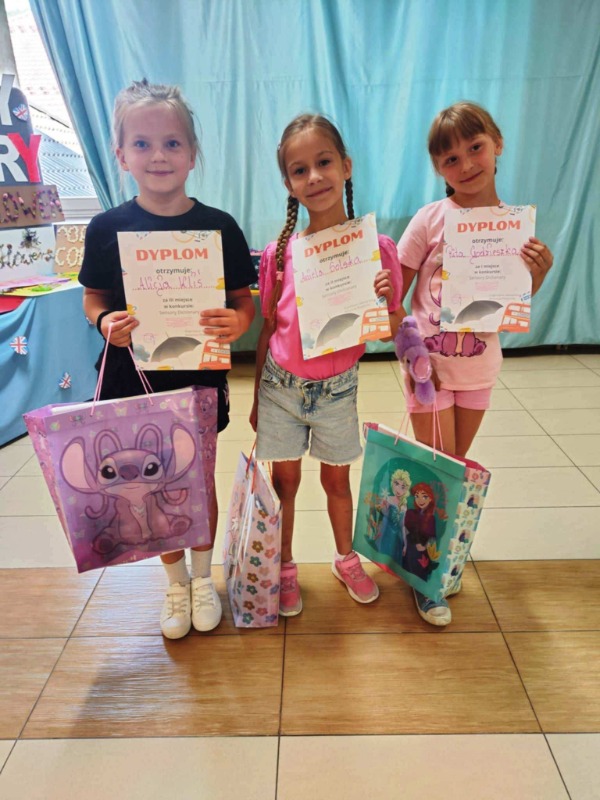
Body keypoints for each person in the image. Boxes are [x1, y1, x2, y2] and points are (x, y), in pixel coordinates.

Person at [79, 80, 256, 639]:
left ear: (193, 153)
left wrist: (238, 323)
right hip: (132, 384)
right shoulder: (105, 228)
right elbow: (93, 298)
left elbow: (243, 301)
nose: (158, 155)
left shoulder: (220, 226)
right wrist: (105, 322)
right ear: (121, 155)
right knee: (149, 487)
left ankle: (204, 578)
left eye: (172, 143)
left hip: (198, 381)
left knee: (196, 481)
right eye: (142, 143)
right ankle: (176, 583)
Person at [397, 101, 553, 625]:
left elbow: (510, 307)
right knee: (432, 474)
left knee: (455, 468)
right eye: (450, 158)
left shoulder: (515, 229)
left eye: (475, 148)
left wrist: (537, 275)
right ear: (437, 168)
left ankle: (428, 549)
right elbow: (394, 289)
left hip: (479, 369)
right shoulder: (430, 219)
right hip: (429, 370)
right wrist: (399, 333)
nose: (465, 164)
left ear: (497, 143)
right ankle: (424, 575)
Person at [249, 113, 403, 616]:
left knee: (337, 481)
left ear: (346, 166)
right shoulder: (279, 255)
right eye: (299, 170)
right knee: (285, 484)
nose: (314, 177)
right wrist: (256, 397)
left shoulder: (376, 251)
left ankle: (345, 558)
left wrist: (387, 301)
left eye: (324, 162)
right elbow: (268, 328)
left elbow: (392, 327)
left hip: (338, 389)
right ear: (288, 183)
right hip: (280, 387)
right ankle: (284, 565)